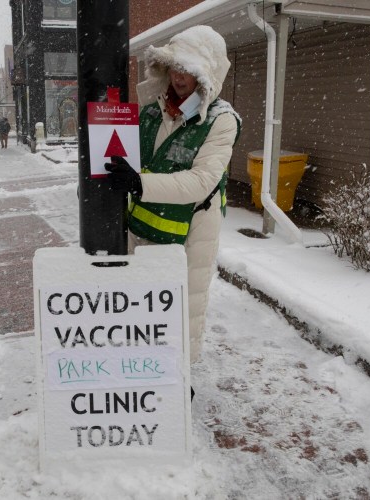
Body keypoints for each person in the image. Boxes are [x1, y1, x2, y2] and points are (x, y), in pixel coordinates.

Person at [105, 25, 241, 365]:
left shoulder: (221, 120)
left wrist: (139, 183)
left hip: (192, 231)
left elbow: (202, 180)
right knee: (143, 301)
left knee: (183, 307)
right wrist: (98, 176)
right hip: (143, 225)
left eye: (189, 70)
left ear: (205, 74)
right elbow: (125, 158)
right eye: (175, 67)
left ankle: (179, 379)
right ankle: (147, 367)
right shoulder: (152, 112)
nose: (179, 77)